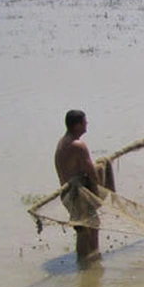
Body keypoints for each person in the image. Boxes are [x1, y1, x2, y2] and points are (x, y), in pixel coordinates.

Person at [55, 109, 101, 266]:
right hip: (76, 194)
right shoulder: (78, 145)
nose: (86, 124)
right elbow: (92, 173)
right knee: (88, 227)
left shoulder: (63, 141)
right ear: (77, 125)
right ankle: (88, 262)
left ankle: (86, 264)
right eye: (84, 122)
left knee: (83, 228)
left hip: (67, 194)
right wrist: (97, 193)